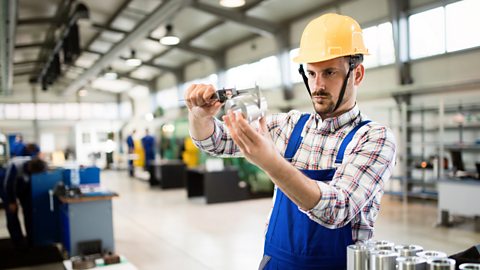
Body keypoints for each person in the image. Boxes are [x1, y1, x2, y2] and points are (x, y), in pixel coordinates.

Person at [185, 13, 397, 269]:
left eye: (329, 72)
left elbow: (338, 209)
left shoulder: (375, 139)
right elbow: (216, 142)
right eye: (311, 73)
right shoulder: (288, 126)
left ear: (358, 74)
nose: (318, 85)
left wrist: (271, 163)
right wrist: (199, 116)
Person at [2, 143, 47, 248]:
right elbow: (7, 185)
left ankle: (31, 239)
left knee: (29, 211)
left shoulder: (35, 163)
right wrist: (12, 201)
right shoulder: (15, 165)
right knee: (12, 213)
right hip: (5, 186)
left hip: (23, 185)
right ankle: (17, 242)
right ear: (30, 169)